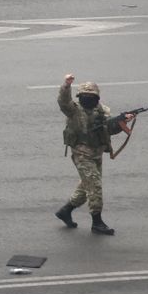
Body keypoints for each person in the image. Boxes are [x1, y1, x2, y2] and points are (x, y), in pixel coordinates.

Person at [55, 74, 133, 235]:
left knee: (86, 187)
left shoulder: (101, 111)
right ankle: (97, 222)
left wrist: (123, 121)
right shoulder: (73, 110)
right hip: (81, 153)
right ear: (79, 97)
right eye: (85, 96)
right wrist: (66, 85)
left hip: (97, 153)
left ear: (97, 97)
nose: (88, 99)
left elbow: (109, 129)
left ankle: (65, 211)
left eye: (91, 96)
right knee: (95, 186)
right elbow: (63, 102)